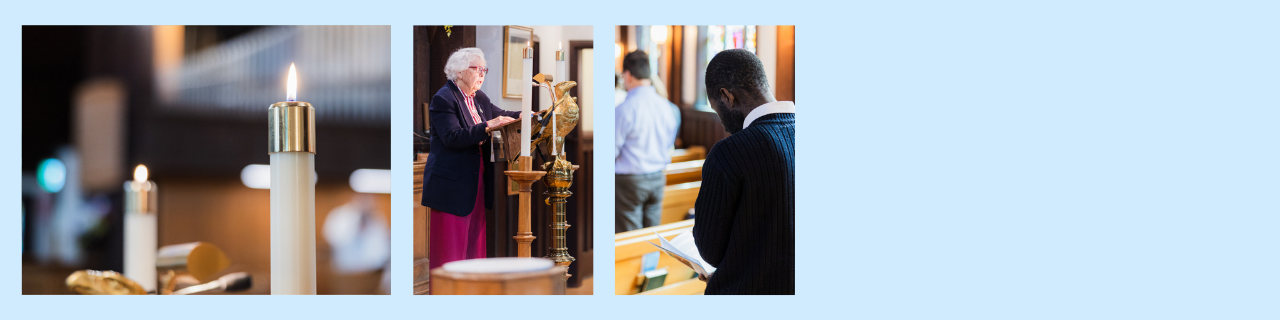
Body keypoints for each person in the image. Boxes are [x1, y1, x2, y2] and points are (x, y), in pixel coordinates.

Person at [693, 49, 795, 295]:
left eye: (716, 109)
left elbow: (711, 251)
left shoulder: (729, 153)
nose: (722, 120)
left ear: (727, 96)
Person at [421, 48, 520, 275]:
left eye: (485, 69)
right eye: (478, 69)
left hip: (476, 181)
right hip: (451, 186)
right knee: (451, 253)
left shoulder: (479, 98)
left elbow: (501, 113)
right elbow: (452, 137)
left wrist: (525, 115)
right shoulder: (443, 98)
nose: (483, 74)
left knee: (474, 249)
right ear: (461, 71)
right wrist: (487, 126)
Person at [615, 50, 679, 233]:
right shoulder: (667, 106)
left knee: (630, 237)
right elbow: (669, 142)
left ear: (627, 75)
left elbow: (612, 150)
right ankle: (652, 262)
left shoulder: (625, 109)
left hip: (630, 181)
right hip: (657, 177)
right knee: (653, 234)